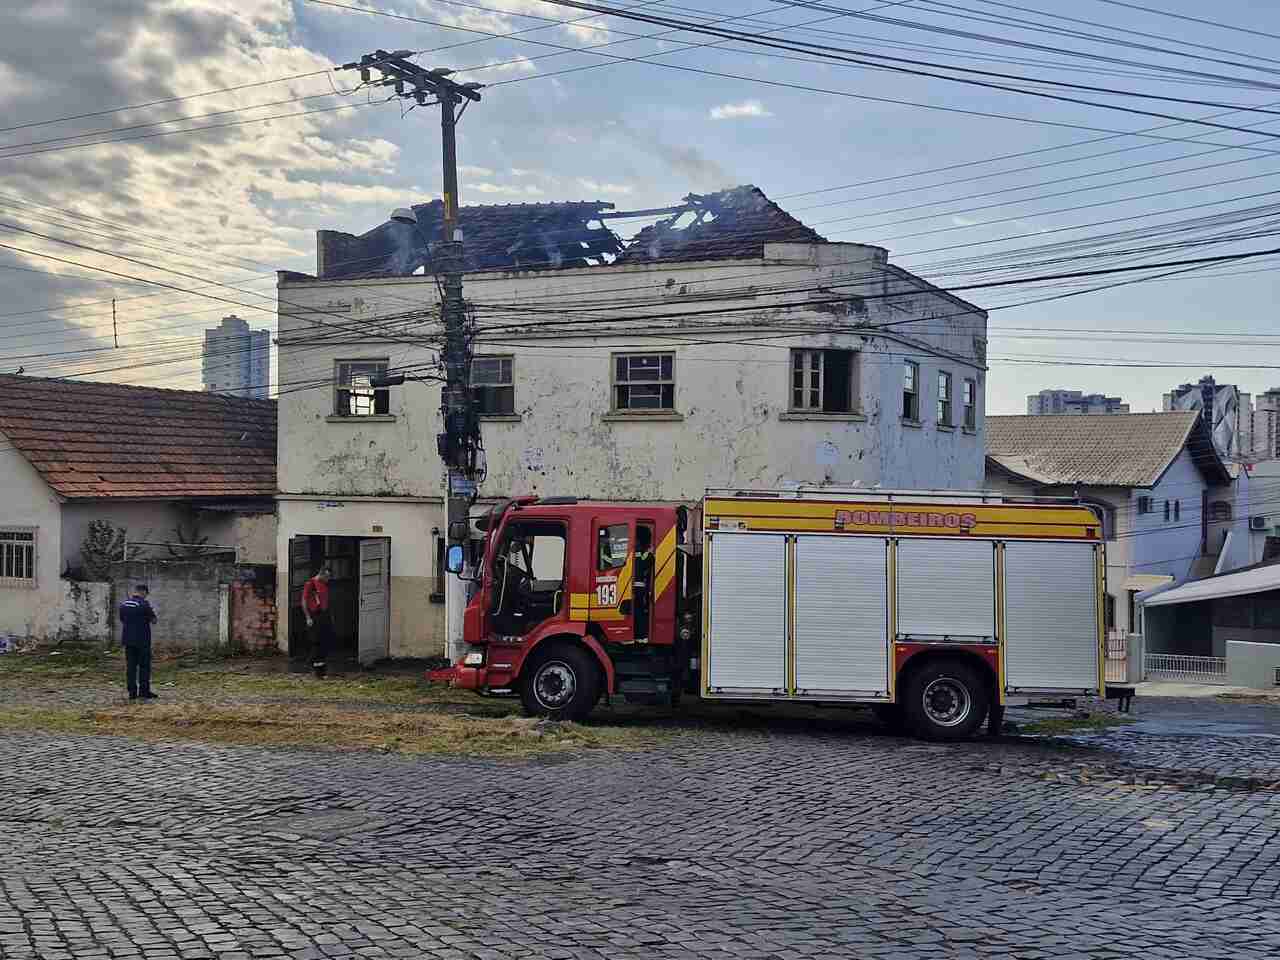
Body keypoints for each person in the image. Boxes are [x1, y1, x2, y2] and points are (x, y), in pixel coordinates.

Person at [119, 584, 158, 700]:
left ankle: (132, 692)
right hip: (142, 640)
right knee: (144, 666)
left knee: (130, 666)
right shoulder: (144, 604)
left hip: (128, 640)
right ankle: (144, 691)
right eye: (146, 594)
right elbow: (154, 620)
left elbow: (122, 619)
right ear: (143, 592)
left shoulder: (123, 604)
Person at [302, 565, 334, 679]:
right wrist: (308, 617)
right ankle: (316, 669)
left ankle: (322, 669)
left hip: (324, 615)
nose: (328, 579)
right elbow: (304, 601)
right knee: (317, 642)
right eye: (327, 577)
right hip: (315, 615)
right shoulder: (310, 584)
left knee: (326, 641)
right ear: (322, 574)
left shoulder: (324, 585)